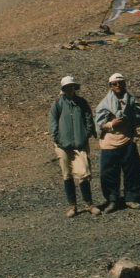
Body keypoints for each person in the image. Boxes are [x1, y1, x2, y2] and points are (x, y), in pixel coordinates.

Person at [95, 73, 140, 213]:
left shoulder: (131, 101)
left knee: (132, 171)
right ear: (110, 87)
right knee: (108, 173)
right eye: (114, 84)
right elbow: (98, 123)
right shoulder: (105, 103)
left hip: (127, 140)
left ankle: (131, 198)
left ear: (125, 84)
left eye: (120, 83)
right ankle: (112, 200)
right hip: (109, 143)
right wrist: (111, 124)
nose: (118, 86)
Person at [49, 75, 101, 218]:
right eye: (66, 87)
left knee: (84, 173)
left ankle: (89, 203)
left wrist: (87, 134)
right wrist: (57, 138)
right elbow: (53, 121)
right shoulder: (58, 103)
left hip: (80, 143)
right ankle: (72, 205)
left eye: (71, 86)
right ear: (63, 89)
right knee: (67, 175)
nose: (69, 89)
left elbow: (88, 118)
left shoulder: (81, 102)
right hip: (63, 145)